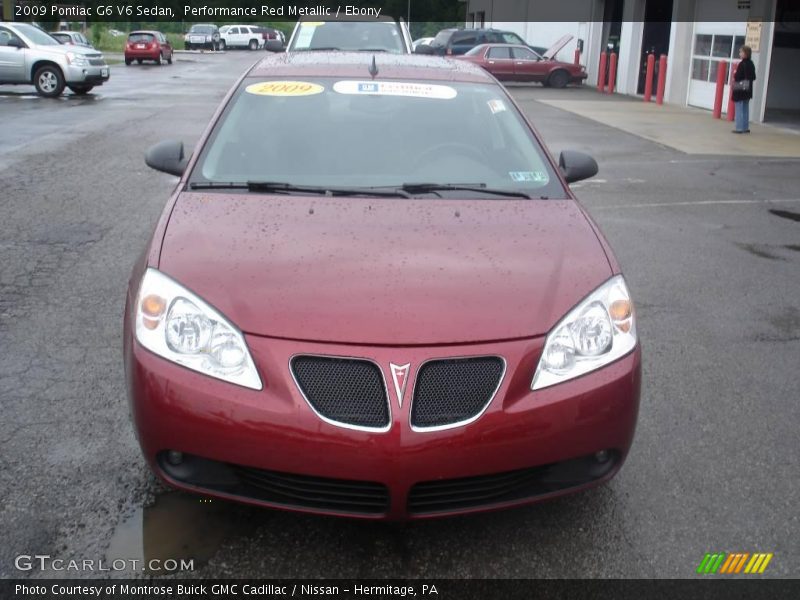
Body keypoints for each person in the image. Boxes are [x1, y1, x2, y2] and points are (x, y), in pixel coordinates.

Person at [732, 45, 756, 134]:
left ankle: (739, 128)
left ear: (745, 53)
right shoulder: (751, 63)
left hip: (741, 88)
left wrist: (735, 74)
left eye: (741, 52)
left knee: (739, 108)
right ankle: (745, 127)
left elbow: (738, 76)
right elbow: (753, 77)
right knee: (745, 108)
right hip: (748, 88)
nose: (740, 54)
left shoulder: (742, 64)